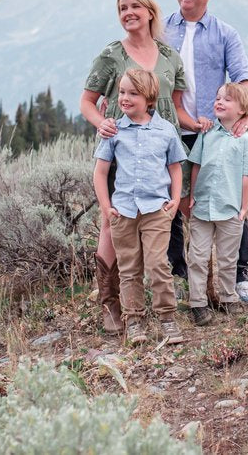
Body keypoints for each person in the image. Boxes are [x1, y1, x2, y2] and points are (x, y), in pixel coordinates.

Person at [80, 0, 197, 334]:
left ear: (150, 12)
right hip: (122, 143)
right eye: (122, 8)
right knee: (112, 219)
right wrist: (101, 123)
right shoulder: (111, 55)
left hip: (162, 143)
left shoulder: (169, 57)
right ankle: (111, 304)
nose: (128, 12)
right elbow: (87, 101)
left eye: (134, 6)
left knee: (167, 213)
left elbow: (176, 107)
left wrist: (203, 126)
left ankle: (180, 300)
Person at [163, 0, 248, 303]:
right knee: (174, 200)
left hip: (212, 132)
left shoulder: (225, 34)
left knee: (228, 196)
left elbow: (243, 77)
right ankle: (178, 272)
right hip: (170, 128)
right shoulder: (161, 30)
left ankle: (239, 277)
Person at [92, 68, 187, 345]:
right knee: (129, 268)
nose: (125, 98)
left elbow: (175, 168)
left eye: (133, 93)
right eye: (122, 92)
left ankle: (167, 318)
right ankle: (134, 321)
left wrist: (175, 200)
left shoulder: (166, 130)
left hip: (156, 210)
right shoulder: (114, 130)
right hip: (123, 211)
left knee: (158, 264)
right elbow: (100, 172)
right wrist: (106, 208)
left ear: (149, 99)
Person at [186, 83, 248, 325]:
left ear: (242, 110)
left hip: (230, 208)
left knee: (228, 258)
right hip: (202, 206)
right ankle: (198, 303)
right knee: (197, 257)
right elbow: (196, 165)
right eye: (218, 98)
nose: (219, 102)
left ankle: (228, 297)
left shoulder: (244, 141)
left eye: (227, 99)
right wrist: (193, 195)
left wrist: (244, 207)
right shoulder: (206, 134)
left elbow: (245, 176)